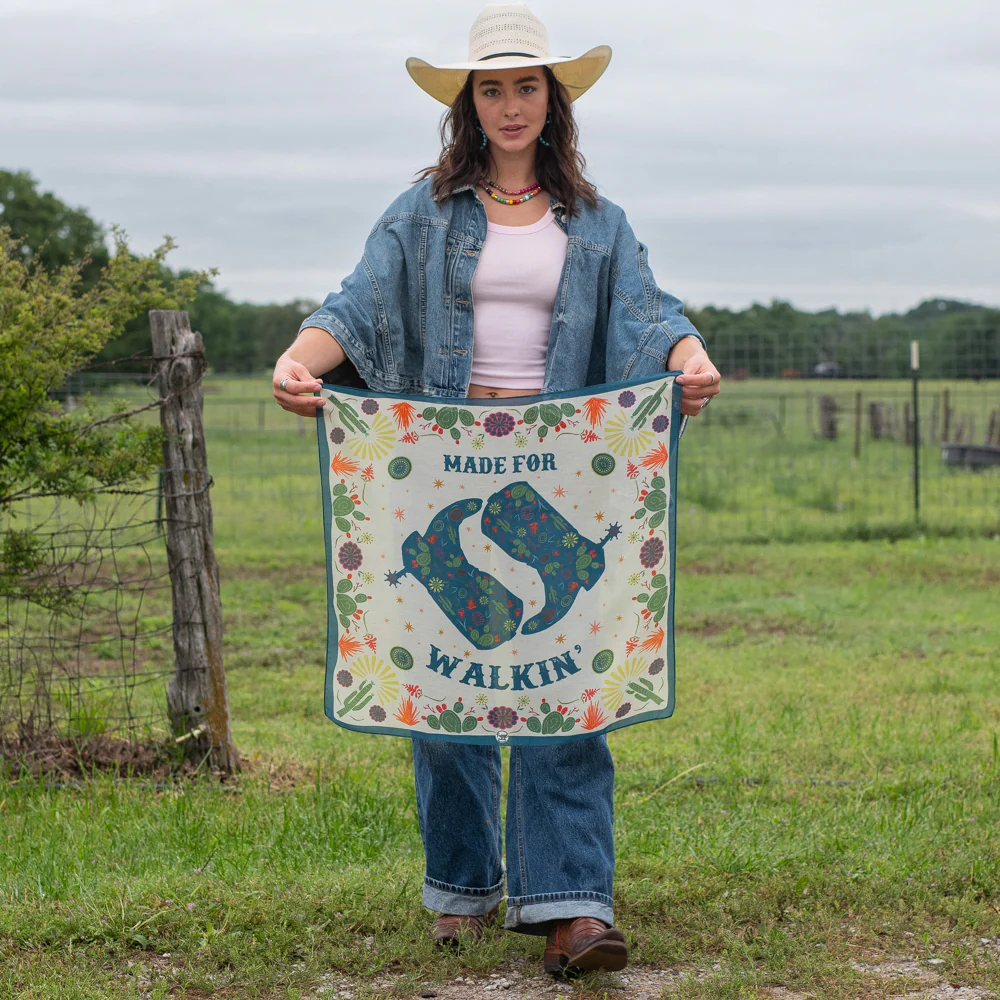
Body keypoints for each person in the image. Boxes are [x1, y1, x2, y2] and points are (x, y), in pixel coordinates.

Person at [272, 2, 721, 977]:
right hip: (441, 467)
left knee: (567, 681)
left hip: (560, 478)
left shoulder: (599, 224)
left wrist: (689, 358)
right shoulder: (418, 215)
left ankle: (572, 908)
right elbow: (352, 305)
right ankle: (464, 887)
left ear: (552, 102)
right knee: (449, 678)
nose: (510, 104)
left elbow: (650, 315)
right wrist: (299, 363)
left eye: (527, 86)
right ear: (467, 104)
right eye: (492, 87)